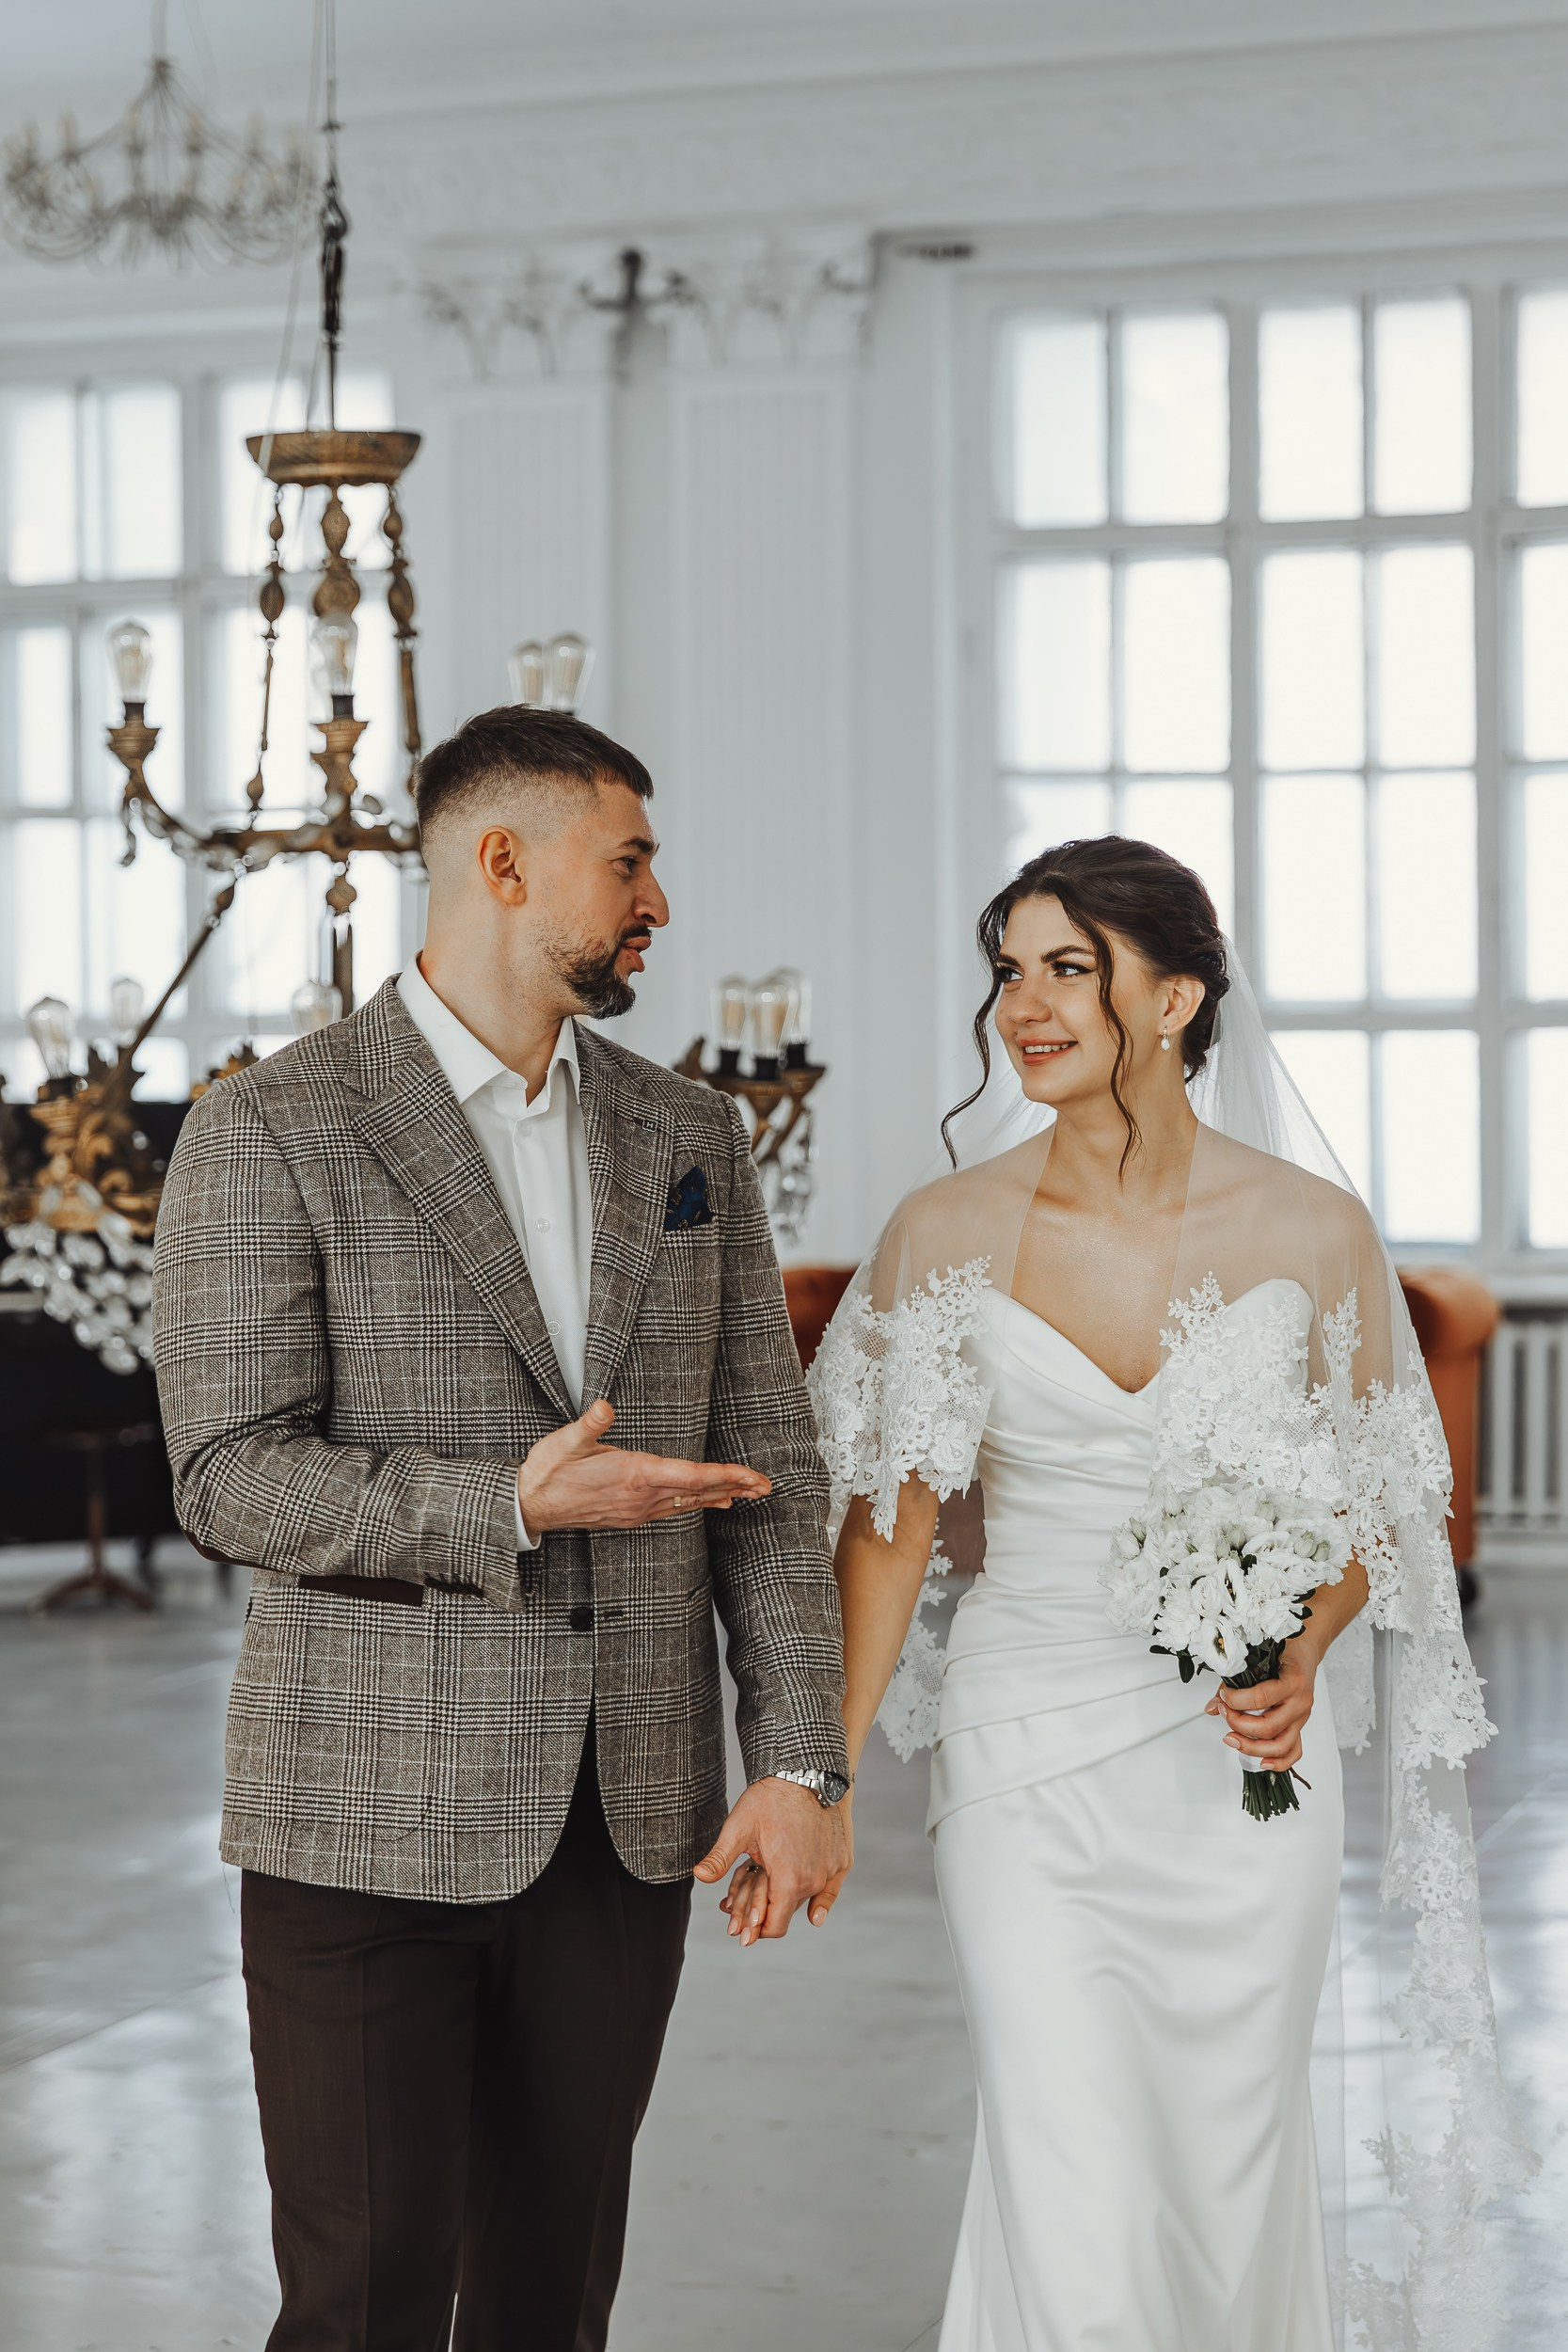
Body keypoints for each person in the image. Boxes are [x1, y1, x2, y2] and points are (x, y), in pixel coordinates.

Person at [151, 706, 851, 2352]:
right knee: (365, 2308)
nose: (657, 903)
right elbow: (227, 1476)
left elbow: (769, 1468)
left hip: (627, 1822)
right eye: (630, 863)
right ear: (503, 863)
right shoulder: (271, 1127)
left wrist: (803, 1762)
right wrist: (507, 1505)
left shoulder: (691, 1137)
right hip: (360, 1821)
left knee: (554, 2303)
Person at [784, 837, 1531, 2352]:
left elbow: (1383, 1506)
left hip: (1243, 1783)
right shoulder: (945, 1231)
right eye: (1009, 972)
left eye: (1070, 968)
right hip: (1026, 1753)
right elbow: (891, 1530)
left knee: (1225, 2171)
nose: (1023, 1006)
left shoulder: (1314, 1230)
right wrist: (822, 1775)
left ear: (1179, 996)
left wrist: (1303, 1648)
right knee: (1068, 2169)